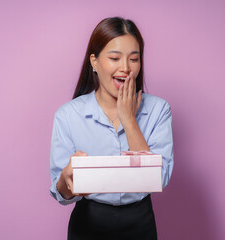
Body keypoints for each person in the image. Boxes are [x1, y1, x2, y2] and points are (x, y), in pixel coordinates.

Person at [50, 17, 174, 240]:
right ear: (95, 62)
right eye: (115, 58)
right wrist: (67, 181)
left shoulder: (159, 109)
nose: (125, 68)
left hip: (140, 222)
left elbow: (158, 178)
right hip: (88, 223)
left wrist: (129, 120)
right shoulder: (68, 115)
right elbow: (61, 193)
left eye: (134, 59)